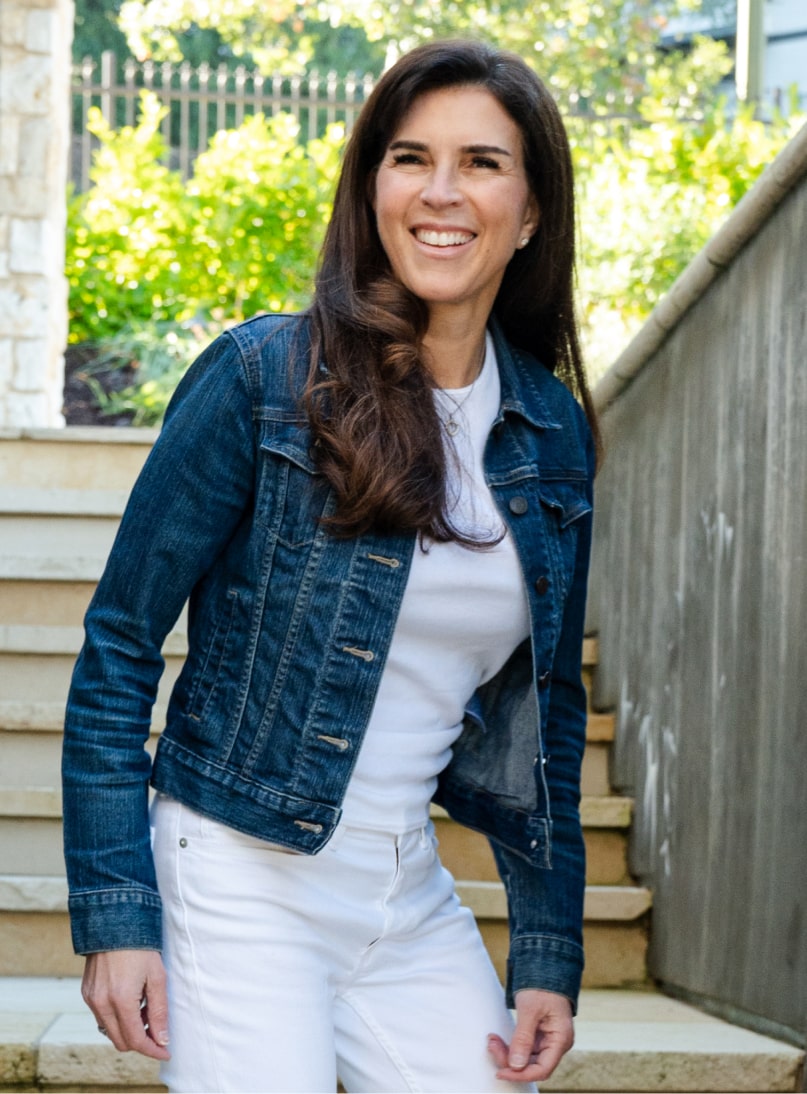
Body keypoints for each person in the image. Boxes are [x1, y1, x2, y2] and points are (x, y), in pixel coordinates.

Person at [62, 38, 598, 1093]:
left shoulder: (550, 430)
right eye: (410, 157)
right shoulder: (264, 377)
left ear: (532, 211)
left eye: (483, 162)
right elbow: (121, 641)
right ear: (371, 187)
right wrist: (116, 908)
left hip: (403, 896)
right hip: (236, 869)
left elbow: (550, 709)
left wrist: (547, 953)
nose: (442, 192)